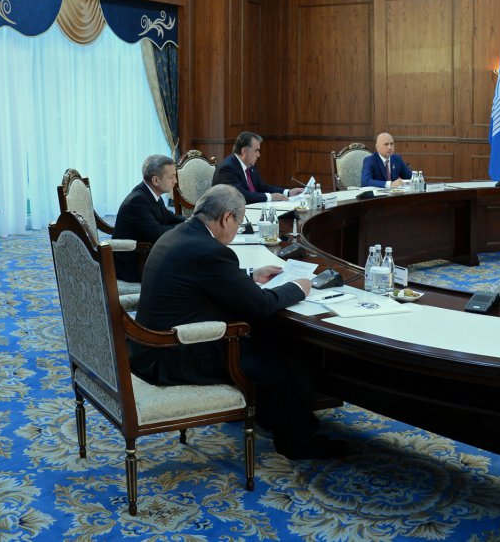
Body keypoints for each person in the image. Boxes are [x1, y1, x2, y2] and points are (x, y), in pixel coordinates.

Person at [130, 184, 346, 459]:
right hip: (174, 354)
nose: (236, 229)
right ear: (226, 218)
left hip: (149, 348)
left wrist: (250, 275)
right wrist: (298, 288)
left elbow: (204, 278)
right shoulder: (208, 250)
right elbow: (260, 305)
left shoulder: (180, 234)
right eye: (239, 222)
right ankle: (298, 443)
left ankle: (274, 417)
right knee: (273, 368)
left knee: (264, 344)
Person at [112, 154, 181, 283]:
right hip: (135, 264)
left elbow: (169, 217)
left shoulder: (151, 193)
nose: (175, 181)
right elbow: (158, 233)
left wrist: (191, 220)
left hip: (148, 254)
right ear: (156, 180)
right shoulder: (137, 201)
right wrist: (186, 228)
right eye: (171, 177)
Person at [215, 132, 290, 204]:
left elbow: (261, 186)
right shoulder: (228, 168)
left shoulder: (249, 165)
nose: (258, 155)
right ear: (244, 151)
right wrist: (271, 197)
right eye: (256, 150)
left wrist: (287, 192)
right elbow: (241, 196)